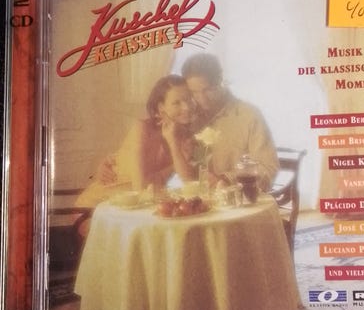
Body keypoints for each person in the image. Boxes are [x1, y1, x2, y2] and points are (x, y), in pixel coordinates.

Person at [75, 74, 197, 208]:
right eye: (176, 103)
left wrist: (172, 142)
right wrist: (172, 168)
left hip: (136, 206)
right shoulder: (142, 129)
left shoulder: (185, 137)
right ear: (161, 107)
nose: (186, 107)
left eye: (188, 99)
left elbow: (190, 184)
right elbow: (139, 188)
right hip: (98, 206)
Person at [181, 53, 279, 192]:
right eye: (194, 92)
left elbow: (268, 168)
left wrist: (227, 179)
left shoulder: (249, 116)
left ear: (220, 81)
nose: (201, 99)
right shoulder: (189, 119)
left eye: (207, 90)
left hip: (241, 201)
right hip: (200, 201)